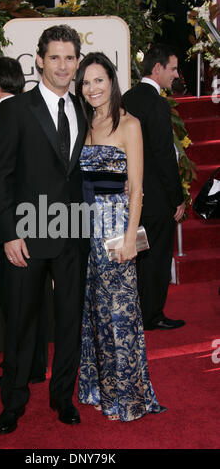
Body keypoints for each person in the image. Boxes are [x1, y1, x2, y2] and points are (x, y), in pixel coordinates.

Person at [0, 25, 88, 435]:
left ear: (77, 62)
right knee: (22, 324)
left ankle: (63, 397)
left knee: (69, 323)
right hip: (26, 235)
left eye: (69, 58)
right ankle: (13, 401)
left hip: (73, 234)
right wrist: (8, 233)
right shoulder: (15, 110)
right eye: (55, 57)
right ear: (39, 60)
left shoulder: (83, 107)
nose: (62, 65)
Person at [75, 52, 166, 421]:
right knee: (94, 314)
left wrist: (130, 239)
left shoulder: (130, 124)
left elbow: (137, 188)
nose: (92, 88)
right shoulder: (83, 122)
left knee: (121, 315)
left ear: (112, 81)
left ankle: (127, 398)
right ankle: (100, 388)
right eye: (86, 82)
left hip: (115, 228)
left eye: (99, 80)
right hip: (83, 229)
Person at [0, 56, 49, 381]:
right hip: (34, 225)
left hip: (10, 232)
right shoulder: (30, 113)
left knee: (15, 306)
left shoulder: (4, 118)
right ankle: (32, 368)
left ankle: (18, 370)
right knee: (33, 304)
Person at [122, 44, 186, 330]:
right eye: (172, 68)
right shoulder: (157, 104)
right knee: (157, 259)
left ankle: (134, 313)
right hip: (158, 200)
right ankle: (152, 316)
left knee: (136, 259)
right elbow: (163, 156)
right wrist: (178, 198)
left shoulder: (126, 98)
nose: (175, 74)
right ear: (157, 68)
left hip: (131, 197)